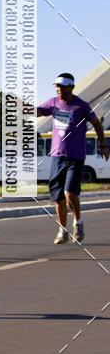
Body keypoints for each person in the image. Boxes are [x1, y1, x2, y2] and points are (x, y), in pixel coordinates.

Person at [37, 72, 109, 243]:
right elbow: (37, 111)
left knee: (69, 192)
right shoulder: (53, 103)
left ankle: (78, 222)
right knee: (58, 198)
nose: (59, 90)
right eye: (57, 87)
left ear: (71, 87)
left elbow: (97, 124)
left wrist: (102, 145)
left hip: (75, 157)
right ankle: (62, 231)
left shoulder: (81, 106)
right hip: (57, 157)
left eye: (62, 87)